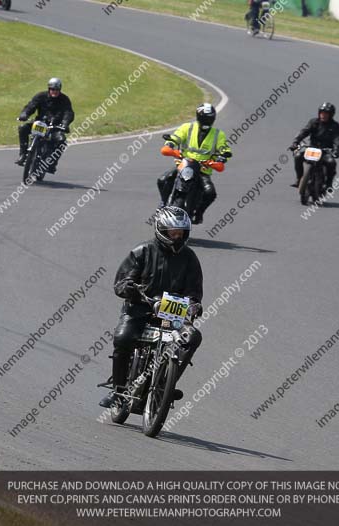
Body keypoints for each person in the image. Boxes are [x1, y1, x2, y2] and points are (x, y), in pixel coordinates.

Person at [99, 206, 204, 408]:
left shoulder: (190, 258)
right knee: (123, 338)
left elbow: (194, 290)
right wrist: (130, 288)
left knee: (193, 337)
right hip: (139, 309)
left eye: (181, 232)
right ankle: (118, 390)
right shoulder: (142, 251)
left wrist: (194, 304)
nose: (177, 236)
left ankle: (167, 384)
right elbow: (121, 283)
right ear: (161, 231)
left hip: (174, 313)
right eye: (173, 232)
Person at [157, 103, 232, 224]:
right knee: (163, 180)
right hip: (184, 165)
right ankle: (163, 203)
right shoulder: (187, 127)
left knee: (210, 193)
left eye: (209, 118)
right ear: (198, 117)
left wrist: (222, 157)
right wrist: (170, 145)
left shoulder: (219, 135)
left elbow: (225, 149)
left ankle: (199, 213)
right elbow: (175, 138)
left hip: (203, 170)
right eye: (204, 118)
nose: (207, 121)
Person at [15, 77, 74, 171]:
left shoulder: (64, 99)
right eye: (52, 89)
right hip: (40, 123)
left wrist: (65, 123)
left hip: (55, 127)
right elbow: (31, 106)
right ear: (49, 89)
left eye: (56, 90)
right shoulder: (40, 96)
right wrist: (24, 114)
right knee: (23, 128)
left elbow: (68, 112)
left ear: (60, 89)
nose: (54, 91)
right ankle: (23, 155)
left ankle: (52, 163)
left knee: (61, 140)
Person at [289, 102, 339, 189]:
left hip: (325, 151)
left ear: (331, 115)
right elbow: (304, 131)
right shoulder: (314, 122)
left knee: (331, 163)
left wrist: (336, 150)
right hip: (312, 149)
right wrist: (296, 142)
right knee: (298, 156)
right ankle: (299, 179)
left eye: (326, 114)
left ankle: (329, 184)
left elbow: (337, 139)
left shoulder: (335, 126)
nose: (323, 115)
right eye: (322, 113)